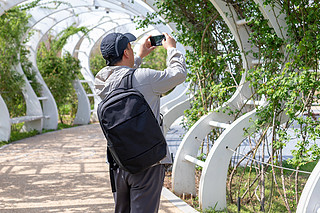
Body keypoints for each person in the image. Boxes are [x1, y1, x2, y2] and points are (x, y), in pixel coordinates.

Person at [95, 32, 187, 213]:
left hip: (119, 163)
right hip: (149, 163)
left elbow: (123, 77)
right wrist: (172, 50)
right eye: (129, 47)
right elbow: (178, 74)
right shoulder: (145, 78)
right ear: (126, 53)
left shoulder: (101, 84)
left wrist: (139, 56)